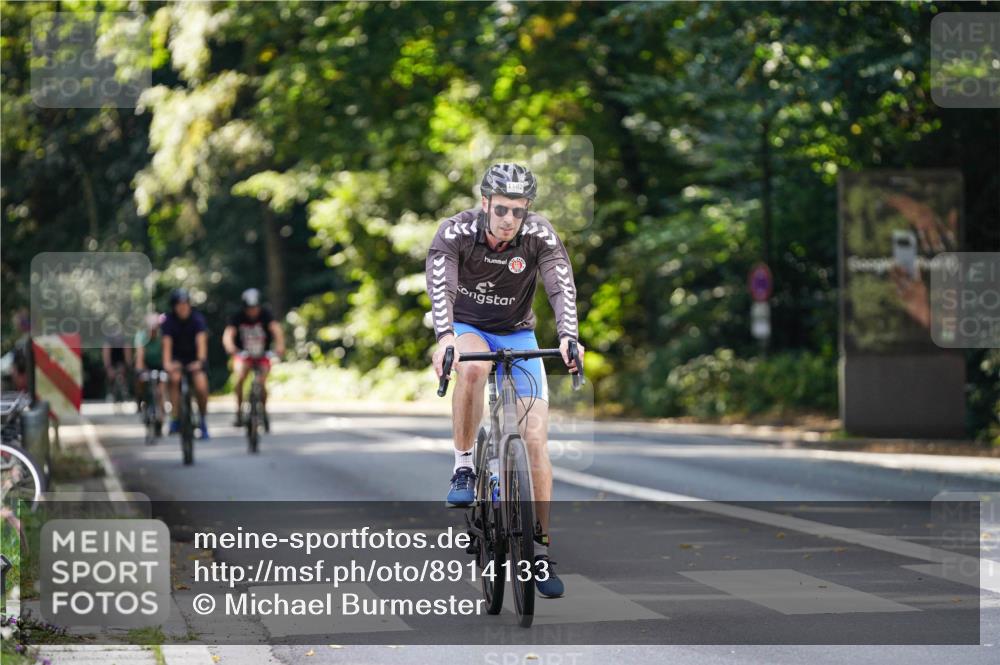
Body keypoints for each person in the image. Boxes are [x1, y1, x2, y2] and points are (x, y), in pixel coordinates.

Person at [426, 163, 584, 598]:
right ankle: (462, 469)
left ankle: (538, 550)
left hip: (518, 332)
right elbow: (441, 288)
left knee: (535, 440)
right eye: (501, 210)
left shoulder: (539, 235)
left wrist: (569, 337)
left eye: (518, 210)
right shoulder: (455, 233)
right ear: (485, 204)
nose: (509, 219)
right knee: (474, 367)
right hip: (467, 326)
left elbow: (560, 285)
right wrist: (444, 339)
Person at [222, 288, 285, 429]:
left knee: (261, 381)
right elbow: (228, 335)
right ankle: (239, 412)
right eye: (249, 308)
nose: (252, 311)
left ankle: (263, 410)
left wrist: (279, 347)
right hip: (244, 355)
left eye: (255, 307)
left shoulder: (266, 315)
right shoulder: (238, 316)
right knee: (240, 379)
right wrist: (231, 348)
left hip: (263, 354)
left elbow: (277, 331)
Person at [161, 288, 210, 439]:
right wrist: (168, 364)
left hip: (194, 360)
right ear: (174, 307)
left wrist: (200, 361)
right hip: (176, 360)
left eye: (185, 304)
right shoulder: (169, 321)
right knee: (174, 379)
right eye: (179, 304)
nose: (183, 307)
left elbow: (201, 342)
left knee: (201, 386)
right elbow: (166, 345)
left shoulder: (197, 319)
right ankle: (175, 418)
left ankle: (202, 420)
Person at [134, 313, 166, 435]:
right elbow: (140, 357)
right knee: (140, 381)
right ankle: (141, 400)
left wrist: (164, 370)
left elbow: (165, 355)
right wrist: (141, 371)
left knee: (160, 392)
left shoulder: (162, 336)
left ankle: (160, 418)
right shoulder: (141, 336)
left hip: (160, 365)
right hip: (146, 365)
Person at [102, 331, 133, 403]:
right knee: (110, 374)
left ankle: (125, 391)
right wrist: (108, 368)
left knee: (123, 373)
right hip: (112, 361)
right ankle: (110, 392)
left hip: (122, 361)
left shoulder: (125, 343)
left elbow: (128, 359)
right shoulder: (108, 343)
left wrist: (126, 367)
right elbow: (106, 358)